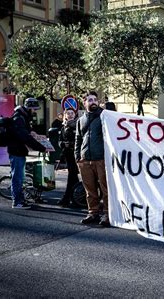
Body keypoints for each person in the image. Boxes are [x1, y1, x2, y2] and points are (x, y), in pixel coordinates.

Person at [75, 91, 109, 226]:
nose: (93, 102)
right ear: (84, 103)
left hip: (101, 159)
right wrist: (78, 157)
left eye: (95, 99)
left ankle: (107, 213)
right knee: (90, 190)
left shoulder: (105, 117)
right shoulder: (81, 120)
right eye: (89, 100)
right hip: (85, 160)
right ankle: (93, 212)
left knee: (105, 188)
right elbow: (78, 139)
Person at [7, 98, 48, 209]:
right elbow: (24, 137)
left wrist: (33, 133)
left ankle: (20, 200)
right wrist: (41, 148)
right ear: (29, 108)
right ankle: (17, 202)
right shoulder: (18, 117)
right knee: (17, 177)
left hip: (19, 151)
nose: (35, 111)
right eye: (34, 109)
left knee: (20, 177)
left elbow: (27, 132)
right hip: (16, 152)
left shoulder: (23, 116)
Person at [57, 108, 79, 207]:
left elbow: (80, 140)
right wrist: (63, 144)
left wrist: (70, 144)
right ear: (65, 115)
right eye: (68, 113)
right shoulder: (63, 127)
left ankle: (66, 199)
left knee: (72, 177)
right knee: (74, 178)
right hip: (67, 155)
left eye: (72, 113)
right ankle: (78, 197)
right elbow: (59, 141)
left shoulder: (78, 125)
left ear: (75, 115)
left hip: (75, 155)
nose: (70, 115)